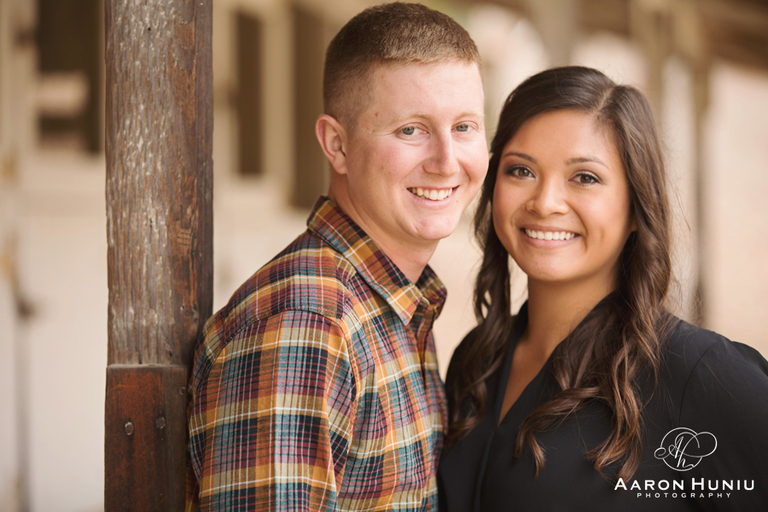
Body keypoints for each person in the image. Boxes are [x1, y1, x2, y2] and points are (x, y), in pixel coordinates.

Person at [186, 3, 488, 511]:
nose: (446, 161)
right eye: (410, 129)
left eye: (464, 127)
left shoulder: (397, 303)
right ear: (337, 145)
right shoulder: (306, 326)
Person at [438, 66, 768, 511]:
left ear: (636, 207)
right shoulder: (476, 361)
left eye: (585, 177)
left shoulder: (696, 376)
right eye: (520, 170)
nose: (545, 202)